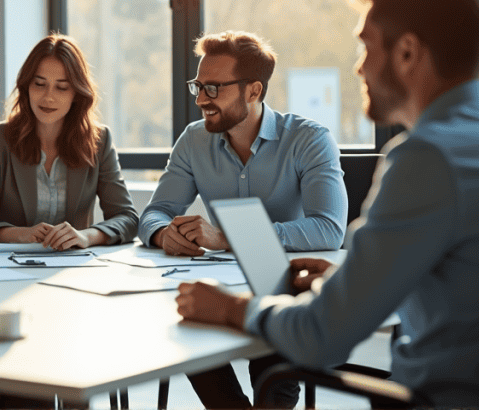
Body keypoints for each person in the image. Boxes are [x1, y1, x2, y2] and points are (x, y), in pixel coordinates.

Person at [176, 0, 479, 407]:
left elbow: (319, 338)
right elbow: (472, 291)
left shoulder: (427, 158)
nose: (359, 67)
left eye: (367, 45)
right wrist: (345, 278)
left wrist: (229, 307)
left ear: (406, 52)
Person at [139, 30, 347, 408]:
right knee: (188, 320)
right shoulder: (192, 141)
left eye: (214, 88)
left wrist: (228, 237)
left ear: (253, 91)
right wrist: (160, 235)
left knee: (272, 357)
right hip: (220, 285)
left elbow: (329, 229)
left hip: (285, 287)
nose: (201, 99)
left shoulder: (309, 139)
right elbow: (154, 214)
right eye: (198, 86)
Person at [0, 33, 138, 252]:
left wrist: (85, 236)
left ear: (77, 93)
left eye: (61, 87)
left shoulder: (99, 141)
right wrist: (21, 234)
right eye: (39, 84)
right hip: (9, 267)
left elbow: (127, 218)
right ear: (27, 87)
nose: (48, 97)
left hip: (71, 267)